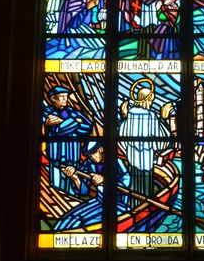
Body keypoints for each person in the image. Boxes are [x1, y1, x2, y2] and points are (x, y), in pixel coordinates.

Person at [118, 79, 173, 207]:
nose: (151, 103)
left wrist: (123, 116)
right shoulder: (151, 116)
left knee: (134, 182)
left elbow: (121, 133)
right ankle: (144, 206)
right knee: (146, 184)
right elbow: (162, 141)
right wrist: (164, 118)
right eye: (150, 100)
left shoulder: (130, 115)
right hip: (146, 159)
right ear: (146, 100)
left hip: (132, 158)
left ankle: (133, 205)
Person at [53, 143, 128, 231]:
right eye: (89, 155)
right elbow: (84, 191)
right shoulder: (88, 163)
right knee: (70, 221)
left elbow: (126, 180)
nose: (91, 157)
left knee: (83, 222)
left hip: (117, 204)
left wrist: (106, 181)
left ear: (101, 149)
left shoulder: (116, 162)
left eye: (93, 153)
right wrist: (75, 178)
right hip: (99, 201)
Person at [43, 85, 92, 194]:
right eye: (62, 96)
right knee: (57, 188)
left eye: (66, 96)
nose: (66, 99)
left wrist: (63, 122)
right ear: (53, 98)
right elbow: (58, 131)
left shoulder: (73, 111)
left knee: (73, 190)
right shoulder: (46, 112)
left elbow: (88, 128)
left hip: (73, 156)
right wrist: (76, 122)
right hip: (56, 159)